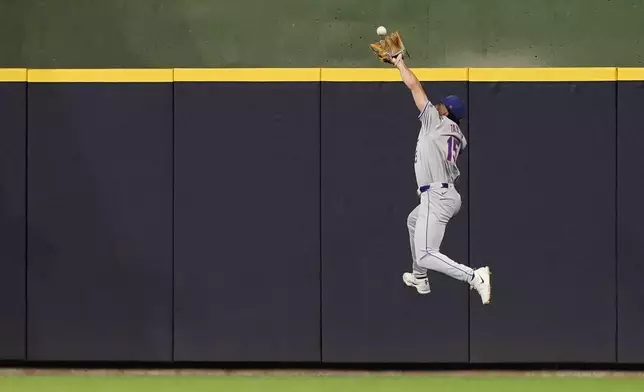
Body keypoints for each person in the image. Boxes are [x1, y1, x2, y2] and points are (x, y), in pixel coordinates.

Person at [390, 53, 491, 305]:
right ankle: (419, 277)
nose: (437, 105)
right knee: (413, 222)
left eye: (443, 105)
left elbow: (414, 86)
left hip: (437, 194)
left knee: (425, 253)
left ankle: (474, 276)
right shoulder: (454, 133)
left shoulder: (435, 122)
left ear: (448, 112)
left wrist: (399, 62)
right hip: (444, 194)